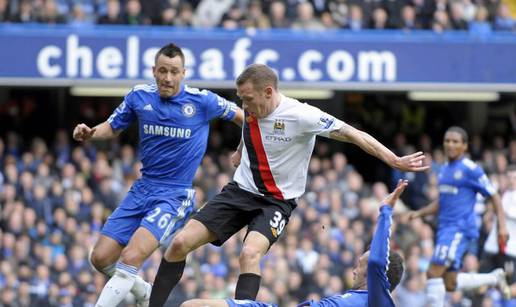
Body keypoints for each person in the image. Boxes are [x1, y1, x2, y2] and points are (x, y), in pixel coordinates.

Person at [149, 63, 429, 306]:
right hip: (239, 191)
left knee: (249, 254)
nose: (244, 107)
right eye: (241, 100)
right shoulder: (252, 109)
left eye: (248, 99)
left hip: (275, 202)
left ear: (268, 92)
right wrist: (239, 149)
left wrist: (392, 158)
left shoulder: (301, 115)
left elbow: (353, 134)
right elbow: (251, 126)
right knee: (179, 244)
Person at [72, 43, 244, 307]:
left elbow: (244, 117)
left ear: (184, 72)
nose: (168, 78)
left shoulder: (203, 101)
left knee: (130, 257)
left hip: (175, 194)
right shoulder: (139, 96)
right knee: (100, 258)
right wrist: (91, 133)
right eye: (162, 71)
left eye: (174, 72)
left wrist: (244, 149)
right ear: (153, 71)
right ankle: (143, 291)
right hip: (142, 188)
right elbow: (113, 126)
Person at [179, 179, 410, 307]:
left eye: (362, 264)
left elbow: (378, 260)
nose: (355, 267)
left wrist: (386, 211)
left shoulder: (379, 301)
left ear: (376, 275)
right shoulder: (357, 298)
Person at [404, 126, 510, 306]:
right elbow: (443, 201)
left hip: (458, 228)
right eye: (447, 140)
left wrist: (502, 225)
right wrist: (420, 213)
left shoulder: (471, 169)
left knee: (433, 273)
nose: (450, 145)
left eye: (455, 141)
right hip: (445, 229)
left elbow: (494, 195)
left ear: (465, 146)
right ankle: (493, 278)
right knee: (449, 283)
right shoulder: (444, 170)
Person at [482, 164, 516, 298]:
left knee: (508, 291)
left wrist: (496, 204)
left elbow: (509, 213)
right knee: (481, 285)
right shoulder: (502, 194)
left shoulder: (500, 196)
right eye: (509, 177)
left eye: (515, 177)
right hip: (492, 246)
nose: (512, 180)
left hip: (510, 250)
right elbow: (490, 215)